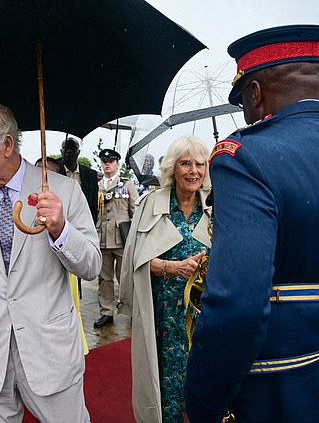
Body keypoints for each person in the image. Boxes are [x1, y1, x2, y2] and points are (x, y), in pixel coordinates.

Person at [184, 25, 319, 423]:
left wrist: (203, 401)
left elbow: (237, 302)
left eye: (243, 100)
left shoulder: (243, 157)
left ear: (254, 93)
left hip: (284, 379)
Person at [0, 101, 101, 422]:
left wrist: (61, 229)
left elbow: (91, 265)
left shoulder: (63, 190)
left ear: (7, 144)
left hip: (50, 353)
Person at [119, 136, 211, 422]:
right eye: (185, 163)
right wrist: (173, 267)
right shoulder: (151, 204)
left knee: (201, 378)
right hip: (163, 313)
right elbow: (137, 261)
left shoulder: (215, 206)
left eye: (199, 164)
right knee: (165, 379)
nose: (193, 171)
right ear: (172, 169)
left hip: (203, 316)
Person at [94, 148, 138, 328]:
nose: (107, 164)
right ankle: (106, 312)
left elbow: (135, 211)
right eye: (104, 161)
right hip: (102, 238)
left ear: (117, 163)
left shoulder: (126, 185)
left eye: (111, 161)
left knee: (126, 278)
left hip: (121, 238)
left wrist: (137, 237)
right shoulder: (96, 186)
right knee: (104, 279)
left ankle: (133, 311)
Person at [56, 137, 99, 223]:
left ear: (78, 152)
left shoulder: (90, 175)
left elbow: (94, 205)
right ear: (61, 151)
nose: (69, 151)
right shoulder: (54, 171)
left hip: (82, 222)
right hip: (59, 221)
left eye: (73, 148)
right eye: (66, 148)